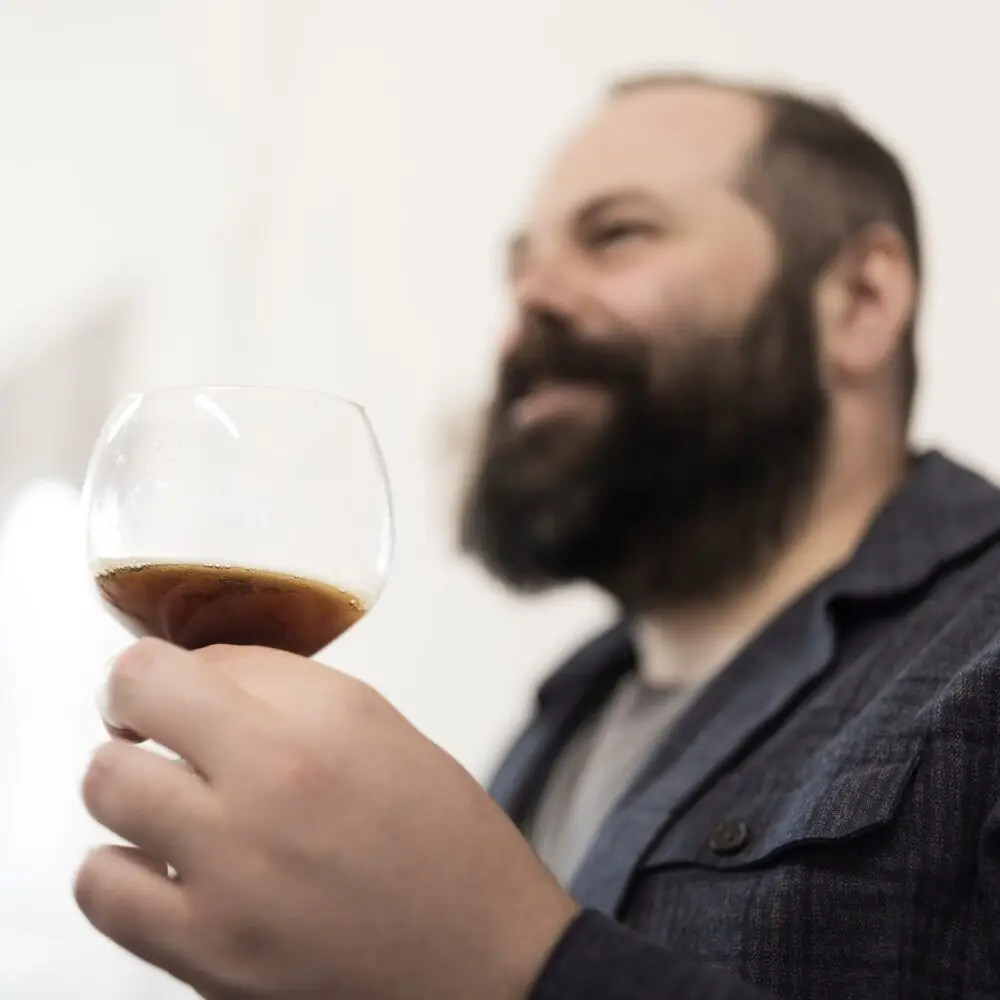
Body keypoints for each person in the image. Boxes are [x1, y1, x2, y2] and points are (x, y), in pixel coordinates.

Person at [74, 72, 1000, 999]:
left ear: (860, 300)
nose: (533, 299)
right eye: (520, 266)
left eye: (617, 234)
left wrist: (510, 969)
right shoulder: (563, 718)